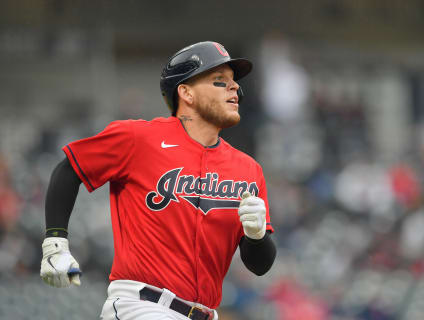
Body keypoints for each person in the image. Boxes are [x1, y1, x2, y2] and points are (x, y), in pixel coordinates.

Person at [39, 41, 276, 320]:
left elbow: (259, 266)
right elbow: (69, 170)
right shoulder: (139, 138)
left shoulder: (248, 169)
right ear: (186, 92)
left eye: (234, 82)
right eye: (219, 81)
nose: (235, 87)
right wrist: (55, 242)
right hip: (142, 306)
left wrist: (257, 236)